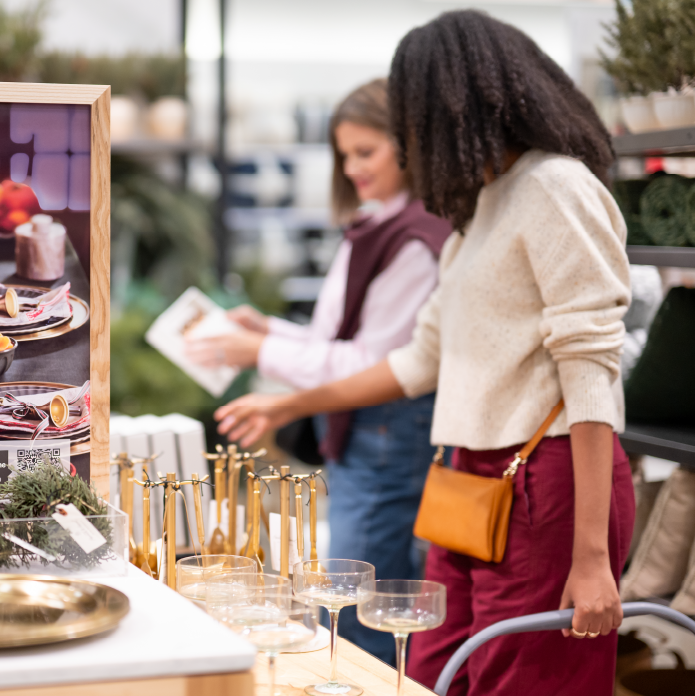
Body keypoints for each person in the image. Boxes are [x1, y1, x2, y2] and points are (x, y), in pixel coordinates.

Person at [213, 10, 633, 696]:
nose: (409, 139)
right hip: (468, 481)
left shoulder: (554, 186)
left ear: (450, 106)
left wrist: (590, 558)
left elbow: (590, 372)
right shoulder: (477, 215)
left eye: (412, 116)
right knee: (433, 672)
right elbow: (417, 360)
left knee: (523, 680)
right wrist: (289, 400)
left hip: (545, 478)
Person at [186, 78, 452, 664]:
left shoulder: (414, 241)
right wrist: (270, 332)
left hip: (386, 434)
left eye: (366, 151)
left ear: (408, 144)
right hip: (369, 433)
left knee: (357, 602)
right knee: (356, 591)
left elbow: (375, 365)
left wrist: (261, 354)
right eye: (344, 155)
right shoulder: (384, 224)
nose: (353, 167)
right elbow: (345, 342)